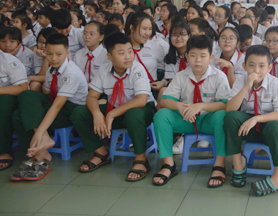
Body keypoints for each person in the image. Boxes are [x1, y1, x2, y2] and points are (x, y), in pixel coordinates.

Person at [70, 32, 156, 181]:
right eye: (121, 53)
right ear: (109, 56)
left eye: (130, 51)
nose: (128, 56)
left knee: (134, 114)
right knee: (79, 113)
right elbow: (91, 96)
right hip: (116, 110)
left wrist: (111, 114)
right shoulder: (104, 69)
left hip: (142, 111)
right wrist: (97, 114)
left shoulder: (137, 69)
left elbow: (141, 100)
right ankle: (100, 153)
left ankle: (141, 159)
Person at [152, 35, 231, 187]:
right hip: (186, 119)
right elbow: (165, 100)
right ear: (186, 56)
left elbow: (225, 104)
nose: (198, 60)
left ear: (211, 57)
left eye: (203, 56)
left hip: (209, 120)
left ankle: (219, 165)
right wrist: (179, 106)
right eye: (193, 56)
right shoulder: (181, 76)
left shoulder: (219, 76)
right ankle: (168, 164)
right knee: (161, 115)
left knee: (223, 117)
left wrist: (200, 106)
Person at [10, 34, 88, 181]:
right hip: (55, 101)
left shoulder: (70, 73)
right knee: (26, 95)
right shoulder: (52, 69)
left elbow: (58, 105)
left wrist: (39, 131)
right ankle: (41, 149)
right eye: (49, 54)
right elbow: (46, 92)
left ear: (67, 53)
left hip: (71, 108)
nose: (54, 58)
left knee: (18, 115)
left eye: (59, 54)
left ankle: (39, 153)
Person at [225, 45, 278, 196]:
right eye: (252, 65)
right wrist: (246, 87)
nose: (256, 70)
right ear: (245, 66)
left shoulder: (275, 83)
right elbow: (230, 108)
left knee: (276, 126)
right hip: (249, 129)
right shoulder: (241, 81)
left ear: (269, 67)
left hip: (268, 129)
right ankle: (238, 163)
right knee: (231, 117)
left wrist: (256, 118)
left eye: (261, 66)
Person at [0, 49, 28, 171]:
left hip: (9, 101)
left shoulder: (9, 61)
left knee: (5, 102)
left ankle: (4, 150)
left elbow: (22, 88)